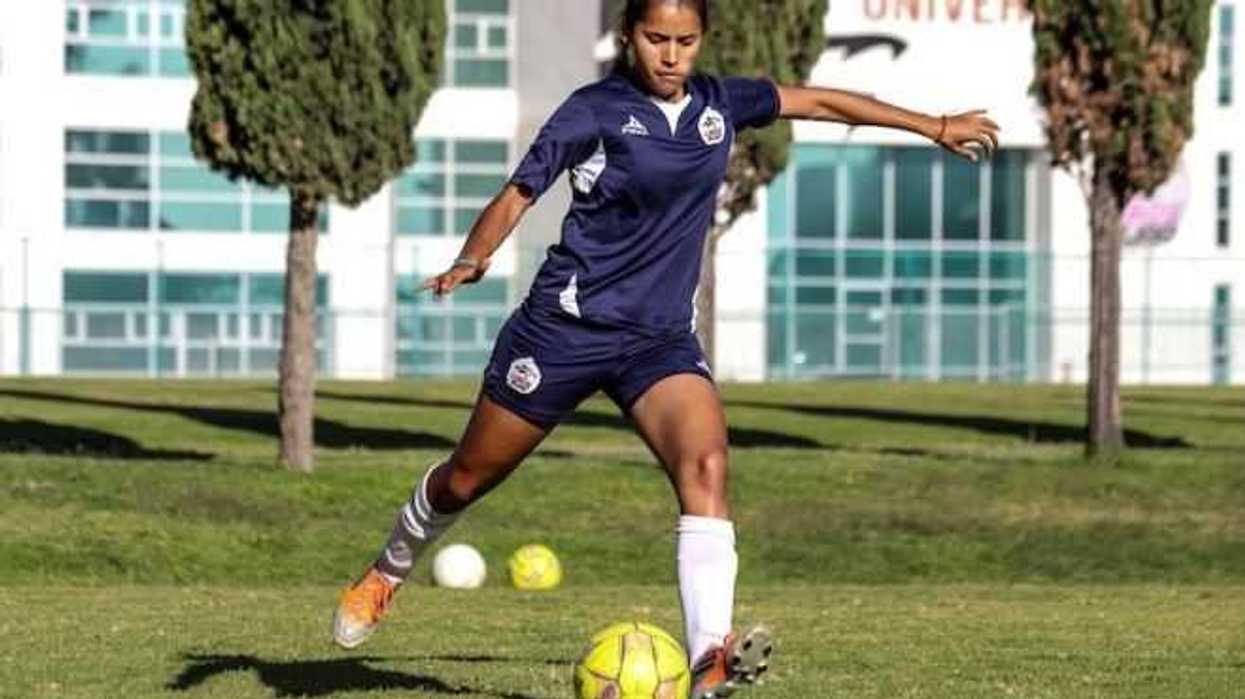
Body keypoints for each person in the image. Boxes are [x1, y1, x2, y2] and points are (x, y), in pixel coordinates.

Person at [332, 0, 999, 696]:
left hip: (658, 342)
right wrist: (473, 257)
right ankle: (385, 571)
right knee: (467, 477)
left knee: (706, 463)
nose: (672, 54)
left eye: (685, 40)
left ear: (702, 39)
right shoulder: (590, 110)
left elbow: (824, 100)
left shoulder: (721, 102)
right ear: (628, 37)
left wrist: (931, 126)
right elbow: (518, 192)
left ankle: (710, 654)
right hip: (562, 331)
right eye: (656, 39)